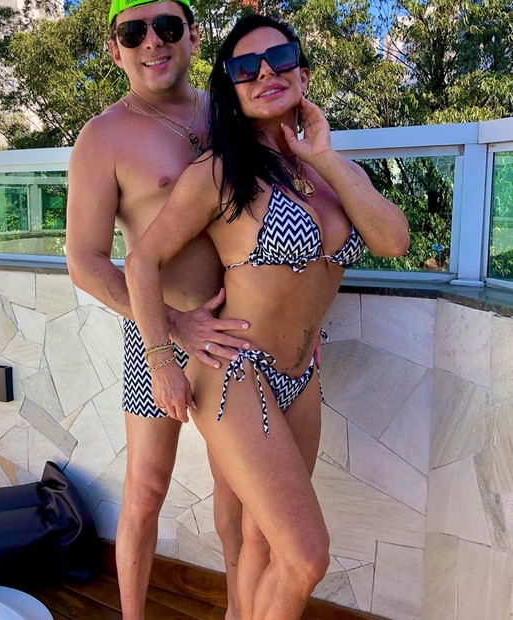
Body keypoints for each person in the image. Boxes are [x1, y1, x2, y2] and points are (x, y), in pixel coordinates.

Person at [125, 13, 410, 620]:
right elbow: (141, 262)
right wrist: (162, 361)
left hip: (300, 376)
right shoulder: (219, 173)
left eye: (278, 60)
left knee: (263, 543)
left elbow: (393, 240)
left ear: (302, 73)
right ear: (231, 88)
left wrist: (324, 156)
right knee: (305, 558)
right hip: (235, 373)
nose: (264, 74)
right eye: (244, 68)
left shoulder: (333, 172)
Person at [66, 1, 248, 618]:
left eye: (168, 27)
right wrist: (169, 330)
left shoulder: (230, 112)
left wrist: (296, 323)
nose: (153, 41)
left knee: (237, 492)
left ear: (192, 37)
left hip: (234, 332)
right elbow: (85, 260)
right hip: (155, 335)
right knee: (145, 488)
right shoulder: (103, 137)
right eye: (134, 31)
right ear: (115, 48)